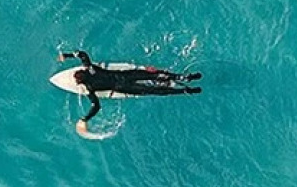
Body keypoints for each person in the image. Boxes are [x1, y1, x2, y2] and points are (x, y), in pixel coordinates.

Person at [58, 50, 201, 136]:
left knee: (154, 90)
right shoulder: (91, 68)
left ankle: (185, 90)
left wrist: (84, 119)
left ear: (81, 83)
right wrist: (67, 55)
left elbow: (96, 106)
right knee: (154, 75)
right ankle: (182, 77)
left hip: (124, 88)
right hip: (126, 75)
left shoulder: (89, 88)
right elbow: (82, 54)